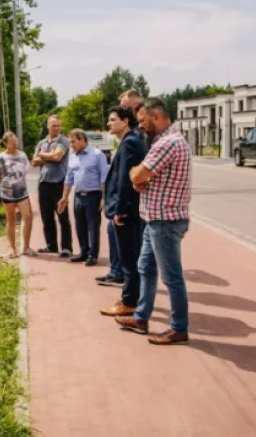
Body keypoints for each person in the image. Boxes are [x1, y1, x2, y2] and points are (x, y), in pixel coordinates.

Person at [114, 97, 193, 345]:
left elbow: (138, 174)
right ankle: (141, 317)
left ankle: (179, 328)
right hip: (156, 219)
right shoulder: (168, 141)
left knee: (171, 277)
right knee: (146, 268)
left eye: (142, 121)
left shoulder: (166, 144)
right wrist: (141, 180)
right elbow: (147, 179)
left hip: (164, 221)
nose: (139, 128)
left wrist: (136, 175)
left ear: (156, 117)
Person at [100, 106, 148, 317]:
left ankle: (128, 301)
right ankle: (134, 297)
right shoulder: (132, 140)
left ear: (125, 121)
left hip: (127, 211)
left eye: (112, 120)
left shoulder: (129, 143)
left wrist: (120, 210)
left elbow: (125, 180)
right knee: (133, 256)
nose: (109, 123)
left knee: (128, 257)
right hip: (133, 209)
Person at [57, 129, 109, 266]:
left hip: (93, 195)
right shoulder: (73, 157)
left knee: (93, 226)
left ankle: (93, 255)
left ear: (82, 139)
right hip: (78, 196)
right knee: (80, 225)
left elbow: (104, 178)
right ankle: (83, 252)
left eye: (73, 141)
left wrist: (104, 198)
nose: (71, 145)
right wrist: (64, 198)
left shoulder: (98, 155)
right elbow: (68, 179)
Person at [32, 115, 73, 257]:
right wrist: (47, 156)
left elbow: (58, 157)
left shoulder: (64, 141)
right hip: (44, 183)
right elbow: (34, 162)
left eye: (58, 126)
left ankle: (67, 247)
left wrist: (43, 156)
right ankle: (51, 246)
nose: (56, 128)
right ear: (47, 126)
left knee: (63, 217)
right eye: (53, 125)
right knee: (46, 217)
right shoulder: (41, 143)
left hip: (59, 183)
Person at [0, 131, 37, 259]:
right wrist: (7, 185)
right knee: (11, 220)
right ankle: (13, 249)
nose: (15, 143)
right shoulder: (0, 158)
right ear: (6, 143)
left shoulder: (23, 155)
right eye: (12, 141)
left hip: (22, 192)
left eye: (16, 140)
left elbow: (26, 170)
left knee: (28, 217)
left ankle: (26, 247)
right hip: (8, 195)